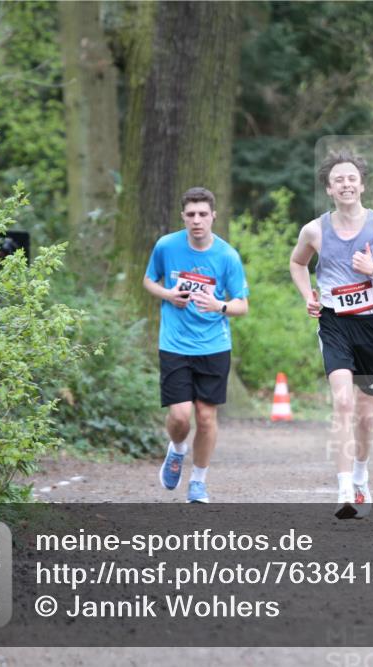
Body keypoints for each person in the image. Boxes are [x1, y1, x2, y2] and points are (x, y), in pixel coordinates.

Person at [289, 150, 373, 519]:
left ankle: (361, 474)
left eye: (351, 178)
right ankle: (344, 490)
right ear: (329, 189)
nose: (346, 184)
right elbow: (297, 263)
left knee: (366, 414)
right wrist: (308, 296)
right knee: (343, 404)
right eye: (338, 180)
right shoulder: (314, 230)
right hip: (334, 323)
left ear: (361, 184)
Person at [143, 187, 249, 503]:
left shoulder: (227, 256)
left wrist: (220, 307)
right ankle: (176, 450)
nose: (197, 220)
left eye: (203, 214)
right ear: (183, 217)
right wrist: (168, 295)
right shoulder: (166, 246)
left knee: (205, 418)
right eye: (191, 214)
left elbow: (242, 304)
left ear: (213, 216)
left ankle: (199, 481)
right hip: (174, 343)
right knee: (179, 417)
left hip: (214, 345)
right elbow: (149, 280)